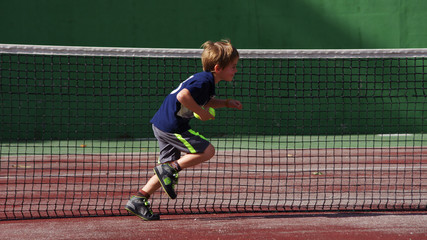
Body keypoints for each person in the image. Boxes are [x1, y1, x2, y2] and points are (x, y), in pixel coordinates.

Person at [125, 40, 243, 220]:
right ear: (218, 68)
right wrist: (201, 113)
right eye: (233, 67)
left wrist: (226, 103)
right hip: (172, 126)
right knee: (207, 150)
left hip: (162, 124)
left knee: (165, 170)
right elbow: (183, 96)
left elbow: (205, 101)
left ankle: (139, 199)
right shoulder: (203, 80)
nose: (235, 70)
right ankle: (171, 168)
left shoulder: (206, 82)